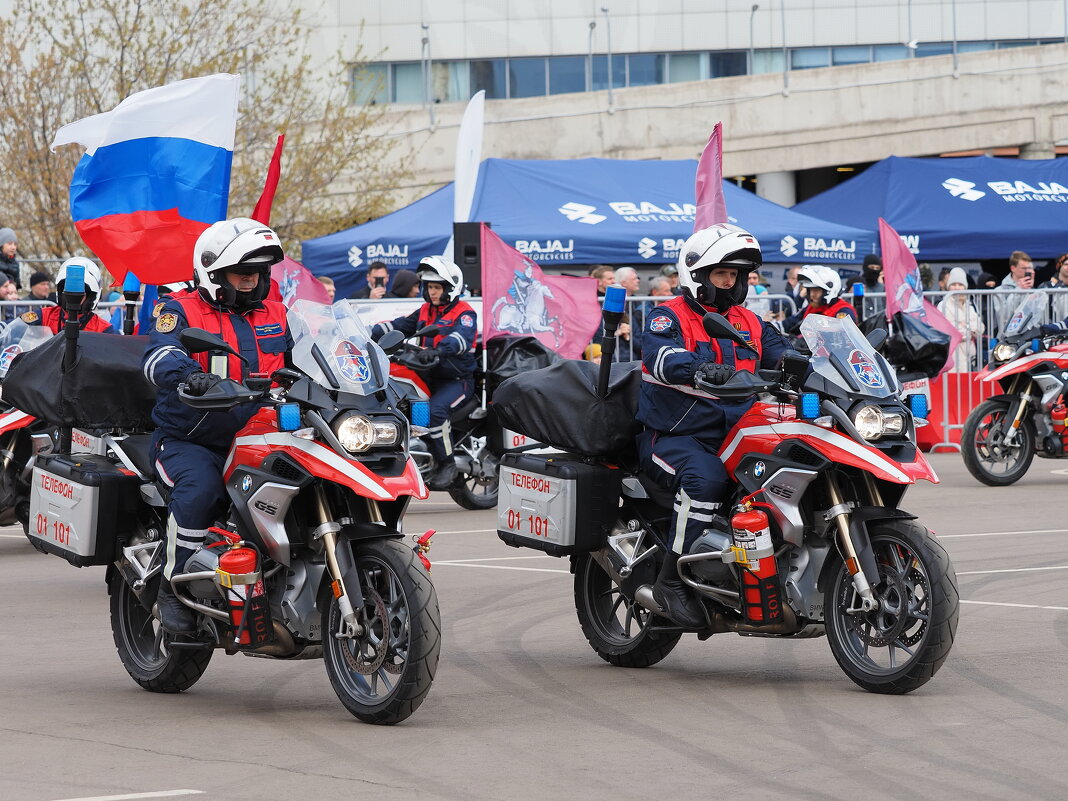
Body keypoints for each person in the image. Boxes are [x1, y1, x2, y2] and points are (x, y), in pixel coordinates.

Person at [636, 223, 794, 628]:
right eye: (722, 274)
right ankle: (671, 582)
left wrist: (826, 360)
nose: (730, 283)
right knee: (706, 482)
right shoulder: (666, 316)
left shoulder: (750, 322)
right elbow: (661, 357)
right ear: (697, 275)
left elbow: (788, 354)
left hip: (736, 433)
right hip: (675, 436)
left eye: (736, 275)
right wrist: (700, 367)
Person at [141, 217, 290, 634]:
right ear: (212, 272)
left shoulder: (278, 312)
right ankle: (172, 586)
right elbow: (157, 356)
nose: (252, 281)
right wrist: (192, 374)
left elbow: (317, 354)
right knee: (201, 490)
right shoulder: (179, 309)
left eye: (258, 274)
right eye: (243, 274)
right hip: (191, 440)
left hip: (263, 435)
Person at [371, 256, 477, 490]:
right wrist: (370, 331)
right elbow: (400, 325)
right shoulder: (425, 311)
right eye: (429, 287)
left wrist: (438, 350)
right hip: (428, 375)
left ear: (451, 288)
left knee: (435, 411)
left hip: (456, 381)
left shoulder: (465, 313)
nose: (433, 292)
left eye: (437, 287)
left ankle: (447, 463)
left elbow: (461, 339)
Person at [19, 258, 115, 333]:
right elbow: (17, 326)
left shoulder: (102, 328)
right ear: (61, 292)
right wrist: (4, 327)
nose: (74, 297)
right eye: (69, 292)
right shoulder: (45, 316)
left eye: (81, 294)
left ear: (91, 297)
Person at [782, 264, 857, 335]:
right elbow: (788, 323)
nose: (811, 295)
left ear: (829, 291)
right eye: (809, 290)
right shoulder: (811, 307)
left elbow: (842, 336)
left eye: (816, 290)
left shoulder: (844, 310)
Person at [936, 267, 984, 372]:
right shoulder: (943, 305)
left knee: (968, 386)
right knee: (953, 385)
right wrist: (970, 330)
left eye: (960, 284)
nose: (957, 288)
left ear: (965, 287)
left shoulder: (969, 306)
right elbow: (951, 332)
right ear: (948, 287)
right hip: (952, 356)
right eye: (953, 284)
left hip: (969, 355)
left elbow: (980, 327)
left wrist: (964, 326)